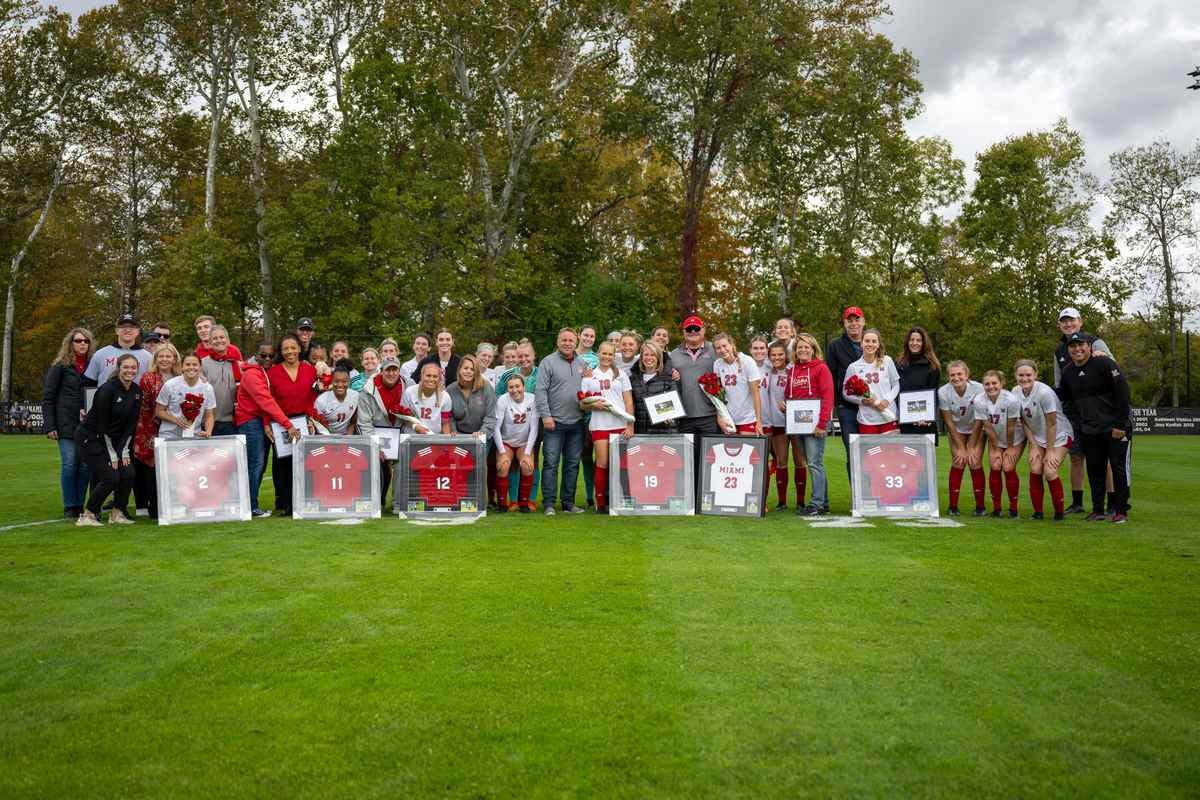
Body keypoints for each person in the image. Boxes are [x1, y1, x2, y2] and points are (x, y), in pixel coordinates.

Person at [1056, 333, 1132, 523]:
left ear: (1089, 346)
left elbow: (1123, 392)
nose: (1077, 349)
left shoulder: (1104, 363)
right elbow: (1063, 396)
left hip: (1115, 428)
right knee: (1095, 470)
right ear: (1068, 350)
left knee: (1118, 469)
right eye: (1073, 346)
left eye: (1080, 345)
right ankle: (1098, 510)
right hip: (1090, 429)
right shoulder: (1068, 372)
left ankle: (1121, 510)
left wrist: (1120, 424)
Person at [1053, 307, 1115, 514]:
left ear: (1080, 321)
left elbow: (1114, 371)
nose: (1068, 324)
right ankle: (1077, 502)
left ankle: (1112, 502)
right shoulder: (1059, 351)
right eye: (1064, 321)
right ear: (1060, 325)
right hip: (1073, 412)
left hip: (1098, 410)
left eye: (1071, 320)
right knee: (1076, 457)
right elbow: (1059, 384)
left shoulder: (1096, 342)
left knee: (1104, 460)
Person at [74, 354, 141, 527]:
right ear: (118, 368)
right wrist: (112, 454)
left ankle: (117, 514)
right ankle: (87, 515)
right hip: (91, 438)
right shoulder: (107, 390)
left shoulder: (136, 391)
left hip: (115, 440)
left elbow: (131, 425)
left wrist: (123, 451)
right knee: (111, 476)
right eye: (126, 367)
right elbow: (101, 427)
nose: (130, 371)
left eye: (133, 367)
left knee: (128, 473)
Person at [234, 341, 297, 517]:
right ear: (256, 356)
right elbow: (265, 401)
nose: (268, 358)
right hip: (250, 422)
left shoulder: (263, 372)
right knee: (255, 464)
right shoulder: (252, 374)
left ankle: (251, 504)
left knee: (258, 465)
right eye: (263, 355)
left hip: (258, 421)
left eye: (271, 355)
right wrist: (288, 424)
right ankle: (250, 506)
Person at [42, 327, 94, 519]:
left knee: (85, 466)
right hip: (65, 423)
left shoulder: (93, 365)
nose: (82, 344)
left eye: (86, 341)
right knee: (70, 464)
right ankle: (70, 505)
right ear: (70, 344)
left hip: (87, 425)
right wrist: (50, 426)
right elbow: (48, 398)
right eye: (78, 340)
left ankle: (80, 505)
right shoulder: (60, 366)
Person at [535, 327, 587, 515]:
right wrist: (546, 416)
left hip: (577, 423)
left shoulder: (583, 364)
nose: (567, 343)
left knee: (572, 464)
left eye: (571, 340)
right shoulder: (548, 362)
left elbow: (589, 389)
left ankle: (568, 503)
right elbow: (540, 390)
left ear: (576, 342)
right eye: (564, 340)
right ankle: (549, 503)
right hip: (554, 423)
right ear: (558, 342)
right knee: (551, 463)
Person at [1014, 359, 1072, 521]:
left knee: (1050, 470)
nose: (1024, 378)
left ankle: (1059, 513)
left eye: (1028, 375)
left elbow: (1052, 423)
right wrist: (1033, 445)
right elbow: (1023, 421)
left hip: (1059, 435)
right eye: (1020, 375)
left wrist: (1050, 450)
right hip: (1038, 437)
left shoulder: (1044, 393)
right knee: (1035, 468)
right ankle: (1038, 513)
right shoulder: (1015, 392)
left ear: (1035, 375)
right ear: (1015, 376)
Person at [581, 341, 635, 514]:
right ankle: (601, 503)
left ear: (614, 356)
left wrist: (630, 424)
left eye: (610, 354)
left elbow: (628, 401)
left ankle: (625, 499)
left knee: (622, 464)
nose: (606, 357)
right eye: (604, 353)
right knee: (602, 462)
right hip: (600, 425)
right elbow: (582, 404)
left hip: (620, 424)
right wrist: (593, 405)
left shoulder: (620, 374)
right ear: (598, 354)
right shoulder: (590, 375)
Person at [267, 333, 318, 516]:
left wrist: (311, 418)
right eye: (286, 348)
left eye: (293, 347)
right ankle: (284, 503)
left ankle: (304, 501)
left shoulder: (309, 370)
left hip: (304, 421)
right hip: (280, 423)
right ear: (281, 351)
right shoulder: (273, 372)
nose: (290, 351)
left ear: (299, 349)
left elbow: (313, 397)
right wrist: (266, 423)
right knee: (282, 465)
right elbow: (268, 400)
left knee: (304, 463)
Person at [785, 333, 834, 516]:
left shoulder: (821, 368)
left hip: (815, 424)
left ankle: (816, 504)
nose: (803, 350)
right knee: (813, 463)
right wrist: (785, 405)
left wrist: (822, 423)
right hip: (798, 425)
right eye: (800, 347)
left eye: (807, 347)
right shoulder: (792, 371)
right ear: (795, 351)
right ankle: (823, 502)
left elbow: (828, 397)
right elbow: (790, 395)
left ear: (813, 350)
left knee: (814, 463)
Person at [131, 344, 181, 518]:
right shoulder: (148, 377)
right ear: (156, 359)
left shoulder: (181, 378)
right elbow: (144, 405)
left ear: (174, 359)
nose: (164, 360)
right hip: (149, 427)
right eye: (161, 356)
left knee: (172, 468)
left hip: (175, 428)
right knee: (147, 467)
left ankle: (171, 502)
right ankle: (146, 505)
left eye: (168, 356)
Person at [973, 369, 1024, 519]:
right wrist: (996, 447)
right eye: (987, 384)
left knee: (1008, 466)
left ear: (1002, 383)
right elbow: (987, 426)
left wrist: (1009, 448)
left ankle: (1013, 509)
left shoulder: (1011, 400)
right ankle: (997, 509)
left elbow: (1011, 426)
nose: (991, 387)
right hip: (995, 435)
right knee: (995, 465)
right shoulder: (979, 400)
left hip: (1014, 437)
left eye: (994, 383)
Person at [670, 316, 720, 464]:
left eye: (696, 328)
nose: (693, 332)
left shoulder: (715, 350)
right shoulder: (674, 354)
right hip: (685, 417)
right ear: (683, 332)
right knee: (689, 461)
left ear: (703, 330)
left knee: (711, 460)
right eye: (689, 329)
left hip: (711, 416)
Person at [357, 356, 407, 504]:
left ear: (399, 371)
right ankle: (376, 502)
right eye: (387, 370)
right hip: (376, 435)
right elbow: (364, 423)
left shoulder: (408, 386)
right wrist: (374, 446)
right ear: (381, 371)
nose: (391, 373)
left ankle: (398, 504)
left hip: (400, 435)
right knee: (375, 461)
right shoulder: (367, 391)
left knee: (404, 461)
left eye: (394, 369)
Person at [938, 360, 985, 515]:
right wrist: (960, 447)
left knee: (974, 461)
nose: (956, 378)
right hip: (956, 430)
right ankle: (953, 507)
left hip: (976, 428)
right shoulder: (943, 392)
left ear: (967, 375)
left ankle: (980, 507)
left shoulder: (979, 389)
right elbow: (948, 421)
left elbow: (980, 419)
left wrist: (970, 447)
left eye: (959, 374)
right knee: (958, 460)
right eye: (952, 375)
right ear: (948, 377)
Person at [826, 307, 866, 483]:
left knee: (872, 451)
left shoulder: (872, 341)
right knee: (853, 451)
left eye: (857, 319)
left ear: (863, 321)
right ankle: (857, 494)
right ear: (844, 323)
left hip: (871, 406)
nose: (853, 323)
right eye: (850, 320)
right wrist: (836, 403)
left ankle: (873, 492)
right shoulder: (835, 346)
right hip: (847, 407)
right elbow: (831, 376)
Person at [494, 372, 538, 513]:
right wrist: (502, 452)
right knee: (503, 465)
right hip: (506, 441)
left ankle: (524, 503)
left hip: (523, 442)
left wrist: (527, 452)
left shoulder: (532, 399)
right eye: (511, 387)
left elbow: (534, 428)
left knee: (527, 465)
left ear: (524, 387)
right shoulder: (502, 400)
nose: (514, 390)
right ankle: (502, 503)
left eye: (517, 386)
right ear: (507, 389)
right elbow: (496, 428)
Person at [842, 328, 899, 435]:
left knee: (890, 446)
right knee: (870, 447)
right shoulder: (853, 367)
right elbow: (845, 393)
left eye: (874, 341)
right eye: (867, 341)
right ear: (861, 343)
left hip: (889, 416)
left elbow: (896, 385)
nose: (870, 344)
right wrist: (861, 401)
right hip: (867, 419)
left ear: (878, 344)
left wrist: (887, 400)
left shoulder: (887, 361)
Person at [712, 333, 762, 435]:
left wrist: (759, 421)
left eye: (724, 346)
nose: (722, 350)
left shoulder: (747, 361)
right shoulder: (717, 364)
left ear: (731, 345)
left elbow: (756, 393)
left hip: (748, 418)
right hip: (729, 418)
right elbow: (718, 394)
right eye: (718, 348)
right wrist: (720, 416)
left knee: (746, 445)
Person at [896, 326, 941, 439]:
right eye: (912, 340)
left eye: (918, 340)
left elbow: (934, 394)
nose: (915, 343)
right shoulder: (899, 365)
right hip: (903, 421)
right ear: (907, 342)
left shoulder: (933, 366)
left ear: (924, 343)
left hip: (924, 421)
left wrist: (927, 417)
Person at [84, 313, 153, 385]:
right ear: (117, 330)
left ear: (138, 331)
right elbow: (89, 383)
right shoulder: (100, 354)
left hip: (136, 392)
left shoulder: (148, 357)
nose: (128, 330)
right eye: (123, 326)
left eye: (132, 327)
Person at [762, 340, 791, 509]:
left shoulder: (792, 370)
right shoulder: (767, 370)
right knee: (775, 461)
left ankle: (789, 501)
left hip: (790, 421)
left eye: (780, 354)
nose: (777, 357)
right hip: (772, 421)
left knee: (789, 461)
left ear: (786, 355)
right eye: (773, 355)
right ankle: (777, 501)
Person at [629, 340, 679, 435]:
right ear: (641, 357)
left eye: (653, 355)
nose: (649, 358)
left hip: (663, 433)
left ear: (658, 358)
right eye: (646, 355)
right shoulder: (633, 379)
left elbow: (674, 408)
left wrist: (669, 417)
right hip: (640, 433)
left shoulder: (669, 378)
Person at [200, 325, 241, 436]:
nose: (219, 340)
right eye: (215, 338)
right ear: (210, 342)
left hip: (231, 421)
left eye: (222, 337)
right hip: (207, 421)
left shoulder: (237, 364)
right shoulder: (202, 364)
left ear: (228, 340)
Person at [448, 354, 497, 441]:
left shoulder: (486, 387)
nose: (468, 371)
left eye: (472, 369)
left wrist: (482, 433)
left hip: (481, 436)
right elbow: (449, 417)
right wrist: (454, 431)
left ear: (476, 372)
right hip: (458, 437)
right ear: (459, 369)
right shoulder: (450, 389)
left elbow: (491, 416)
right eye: (465, 368)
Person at [403, 362, 454, 434]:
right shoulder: (409, 392)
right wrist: (415, 426)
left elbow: (445, 423)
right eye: (428, 375)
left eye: (435, 376)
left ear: (439, 379)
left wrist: (447, 438)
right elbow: (405, 417)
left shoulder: (445, 397)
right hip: (412, 436)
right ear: (421, 376)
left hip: (434, 437)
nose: (431, 379)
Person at [312, 364, 359, 435]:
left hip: (347, 435)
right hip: (326, 436)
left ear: (349, 381)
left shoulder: (355, 396)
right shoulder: (321, 401)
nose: (340, 385)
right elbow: (318, 426)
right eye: (336, 381)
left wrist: (348, 437)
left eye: (344, 381)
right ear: (331, 381)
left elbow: (353, 421)